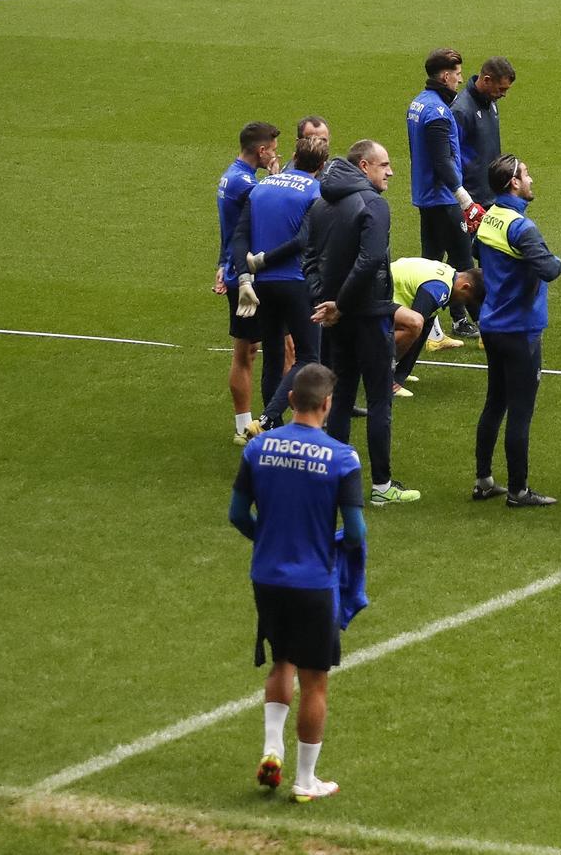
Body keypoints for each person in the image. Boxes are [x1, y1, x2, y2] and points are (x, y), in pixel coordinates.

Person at [229, 362, 363, 805]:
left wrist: (266, 539)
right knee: (315, 679)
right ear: (327, 404)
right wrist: (338, 550)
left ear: (290, 400)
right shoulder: (342, 458)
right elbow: (357, 532)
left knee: (280, 660)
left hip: (266, 574)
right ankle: (306, 780)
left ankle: (272, 749)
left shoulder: (257, 448)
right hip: (313, 580)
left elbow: (237, 515)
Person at [305, 140, 418, 505]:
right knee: (380, 400)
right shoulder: (373, 204)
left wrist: (325, 301)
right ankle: (383, 486)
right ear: (365, 166)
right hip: (368, 316)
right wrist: (340, 304)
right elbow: (370, 261)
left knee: (339, 400)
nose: (391, 172)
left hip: (339, 320)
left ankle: (335, 481)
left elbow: (309, 259)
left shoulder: (322, 203)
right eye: (385, 165)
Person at [471, 155, 561, 507]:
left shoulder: (489, 217)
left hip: (493, 324)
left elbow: (476, 253)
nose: (531, 178)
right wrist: (557, 261)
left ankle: (483, 480)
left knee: (494, 403)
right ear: (513, 182)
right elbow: (549, 269)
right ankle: (518, 490)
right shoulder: (521, 227)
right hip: (521, 330)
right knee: (520, 411)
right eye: (526, 174)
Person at [234, 136, 328, 427]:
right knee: (308, 356)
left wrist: (245, 277)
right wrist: (266, 259)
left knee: (273, 356)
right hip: (296, 282)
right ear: (322, 164)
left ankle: (269, 427)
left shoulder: (261, 186)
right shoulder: (316, 191)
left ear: (294, 157)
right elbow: (303, 240)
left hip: (261, 286)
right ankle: (267, 417)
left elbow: (240, 236)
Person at [406, 48, 478, 340]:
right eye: (457, 74)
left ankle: (428, 329)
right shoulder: (437, 112)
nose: (460, 80)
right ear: (445, 75)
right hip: (442, 198)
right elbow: (441, 160)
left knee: (431, 262)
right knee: (464, 263)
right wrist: (462, 196)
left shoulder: (418, 104)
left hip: (427, 196)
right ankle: (485, 327)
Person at [219, 121, 280, 442]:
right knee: (256, 351)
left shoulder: (231, 176)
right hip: (250, 276)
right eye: (272, 148)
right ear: (261, 150)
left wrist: (220, 263)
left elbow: (228, 230)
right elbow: (273, 207)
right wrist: (275, 175)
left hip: (236, 270)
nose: (275, 152)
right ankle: (255, 425)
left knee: (252, 349)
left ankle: (248, 423)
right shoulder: (247, 184)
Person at [451, 57, 514, 335]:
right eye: (500, 89)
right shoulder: (461, 110)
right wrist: (463, 198)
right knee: (461, 259)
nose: (503, 94)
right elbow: (452, 157)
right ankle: (460, 318)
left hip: (488, 196)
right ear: (486, 80)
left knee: (486, 257)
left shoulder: (491, 103)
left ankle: (486, 312)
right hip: (467, 199)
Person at [389, 259, 483, 397]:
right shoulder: (439, 288)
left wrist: (402, 374)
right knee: (413, 326)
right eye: (467, 300)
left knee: (422, 325)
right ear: (465, 287)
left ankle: (397, 375)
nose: (463, 303)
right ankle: (384, 377)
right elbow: (415, 327)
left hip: (383, 293)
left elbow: (424, 329)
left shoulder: (450, 277)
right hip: (373, 298)